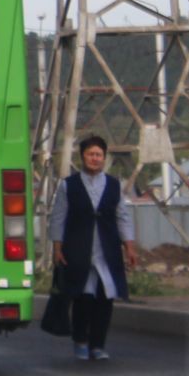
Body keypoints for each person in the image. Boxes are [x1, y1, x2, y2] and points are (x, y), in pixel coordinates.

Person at [48, 134, 137, 362]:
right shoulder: (69, 186)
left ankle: (98, 345)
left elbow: (122, 217)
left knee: (104, 299)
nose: (94, 158)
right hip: (79, 250)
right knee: (83, 298)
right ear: (83, 157)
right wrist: (57, 247)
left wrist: (129, 247)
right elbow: (58, 217)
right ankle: (80, 341)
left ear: (104, 158)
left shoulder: (114, 185)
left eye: (98, 155)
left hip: (106, 250)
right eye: (90, 154)